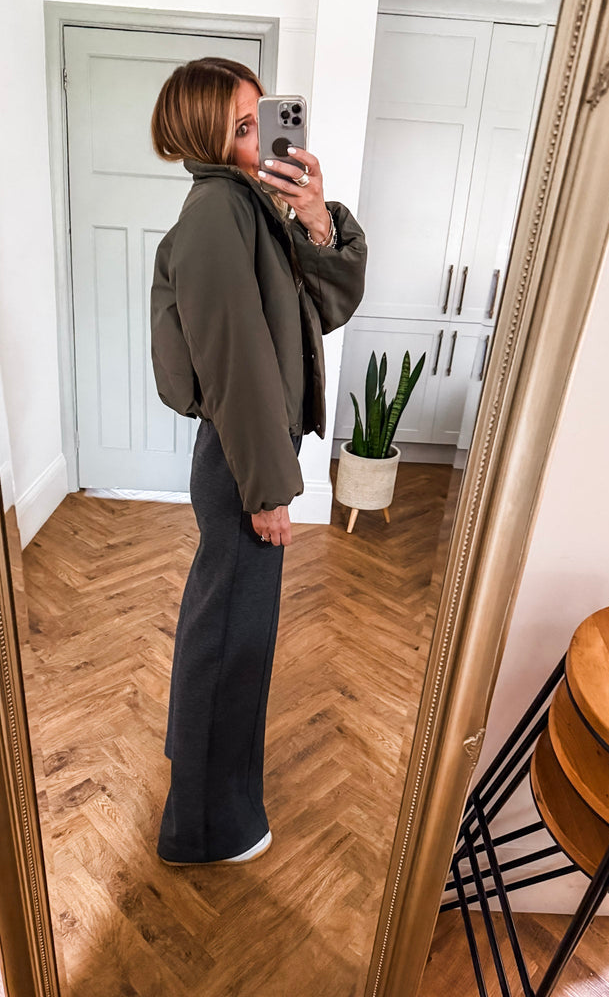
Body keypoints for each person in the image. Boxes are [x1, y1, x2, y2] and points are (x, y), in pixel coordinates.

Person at [149, 57, 366, 866]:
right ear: (206, 138)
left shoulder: (251, 205)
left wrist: (315, 218)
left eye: (260, 119)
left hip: (250, 452)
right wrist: (267, 490)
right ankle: (203, 831)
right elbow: (236, 362)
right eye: (242, 128)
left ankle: (201, 779)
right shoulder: (217, 214)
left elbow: (318, 312)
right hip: (243, 459)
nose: (259, 140)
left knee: (226, 627)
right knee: (230, 642)